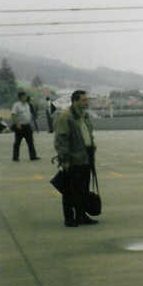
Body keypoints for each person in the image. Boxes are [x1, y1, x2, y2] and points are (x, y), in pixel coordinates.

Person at [54, 90, 98, 226]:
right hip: (73, 159)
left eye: (86, 100)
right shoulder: (66, 117)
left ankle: (81, 215)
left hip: (86, 157)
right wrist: (65, 160)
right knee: (69, 191)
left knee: (83, 190)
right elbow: (61, 140)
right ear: (75, 101)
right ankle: (69, 218)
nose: (86, 102)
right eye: (84, 100)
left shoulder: (84, 116)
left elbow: (88, 134)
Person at [11, 91, 39, 161]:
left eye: (26, 96)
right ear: (21, 97)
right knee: (17, 142)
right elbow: (13, 115)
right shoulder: (16, 105)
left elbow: (30, 114)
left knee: (30, 142)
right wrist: (17, 124)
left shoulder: (27, 104)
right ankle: (15, 157)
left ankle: (33, 156)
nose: (26, 98)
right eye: (24, 96)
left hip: (27, 126)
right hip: (20, 126)